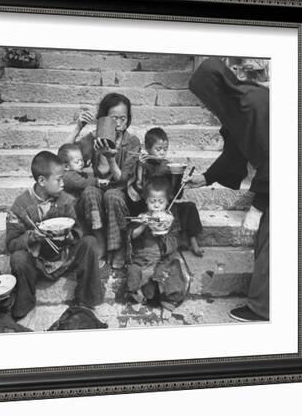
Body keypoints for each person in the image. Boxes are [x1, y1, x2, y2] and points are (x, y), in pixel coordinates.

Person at [187, 58, 269, 322]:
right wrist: (207, 177)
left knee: (272, 241)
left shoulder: (255, 104)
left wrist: (258, 206)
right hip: (276, 179)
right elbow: (233, 153)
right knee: (266, 242)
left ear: (215, 88)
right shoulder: (234, 109)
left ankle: (262, 310)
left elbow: (281, 155)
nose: (202, 104)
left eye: (203, 97)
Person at [6, 151, 104, 320]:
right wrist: (30, 237)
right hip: (38, 262)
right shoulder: (21, 205)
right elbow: (11, 243)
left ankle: (86, 298)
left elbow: (78, 230)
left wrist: (69, 236)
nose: (62, 183)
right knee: (18, 258)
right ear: (42, 181)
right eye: (58, 179)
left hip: (64, 256)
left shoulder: (66, 200)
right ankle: (25, 302)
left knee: (90, 243)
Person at [67, 93, 141, 268]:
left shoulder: (132, 142)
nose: (118, 123)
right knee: (90, 192)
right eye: (113, 118)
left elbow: (122, 179)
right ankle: (100, 240)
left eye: (123, 118)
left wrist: (111, 159)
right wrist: (78, 127)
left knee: (112, 196)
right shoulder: (94, 138)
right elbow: (63, 155)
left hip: (120, 193)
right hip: (97, 189)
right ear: (103, 118)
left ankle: (118, 246)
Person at [127, 127, 204, 256]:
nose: (162, 153)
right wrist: (140, 166)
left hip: (167, 204)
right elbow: (138, 188)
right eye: (158, 149)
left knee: (189, 207)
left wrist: (178, 177)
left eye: (165, 149)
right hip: (148, 204)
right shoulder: (142, 164)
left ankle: (193, 243)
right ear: (147, 148)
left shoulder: (168, 167)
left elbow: (177, 195)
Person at [126, 177, 189, 308]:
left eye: (160, 202)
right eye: (152, 201)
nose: (156, 205)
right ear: (146, 201)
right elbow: (132, 236)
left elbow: (174, 241)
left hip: (162, 258)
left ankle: (169, 298)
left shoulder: (169, 219)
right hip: (142, 259)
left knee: (173, 268)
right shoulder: (142, 216)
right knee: (133, 270)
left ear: (167, 202)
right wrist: (143, 225)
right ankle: (136, 292)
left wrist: (163, 232)